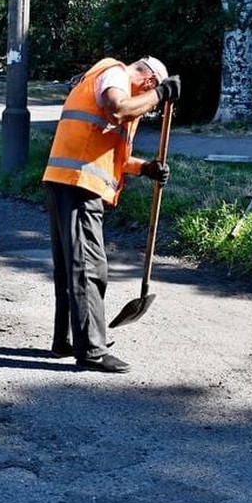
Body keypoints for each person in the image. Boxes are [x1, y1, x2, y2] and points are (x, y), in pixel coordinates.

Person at [42, 57, 180, 373]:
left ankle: (65, 339)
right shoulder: (115, 75)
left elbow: (115, 154)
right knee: (89, 266)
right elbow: (117, 108)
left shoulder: (107, 79)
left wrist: (145, 167)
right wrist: (162, 94)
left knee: (69, 265)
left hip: (66, 180)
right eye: (151, 92)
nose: (149, 102)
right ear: (148, 82)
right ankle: (91, 350)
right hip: (78, 184)